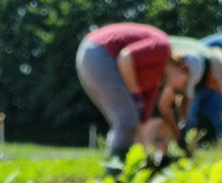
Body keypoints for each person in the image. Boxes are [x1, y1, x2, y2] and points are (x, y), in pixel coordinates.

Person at [76, 23, 191, 169]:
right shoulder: (163, 48)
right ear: (182, 68)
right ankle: (115, 177)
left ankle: (126, 169)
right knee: (126, 120)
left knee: (127, 122)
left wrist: (146, 153)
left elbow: (142, 122)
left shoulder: (155, 80)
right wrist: (135, 93)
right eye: (184, 82)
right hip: (99, 52)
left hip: (94, 55)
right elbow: (126, 57)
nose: (181, 88)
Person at [152, 36, 222, 157]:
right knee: (151, 121)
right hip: (145, 65)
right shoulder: (196, 65)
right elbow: (163, 105)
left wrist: (183, 125)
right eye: (218, 87)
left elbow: (185, 100)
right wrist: (179, 136)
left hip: (150, 67)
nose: (215, 90)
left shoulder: (201, 61)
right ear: (215, 77)